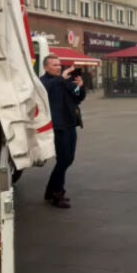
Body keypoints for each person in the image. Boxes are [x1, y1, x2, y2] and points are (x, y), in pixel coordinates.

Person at [40, 55, 86, 209]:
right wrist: (62, 79)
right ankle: (57, 193)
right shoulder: (44, 81)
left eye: (59, 65)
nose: (58, 67)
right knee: (64, 159)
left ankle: (51, 190)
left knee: (68, 159)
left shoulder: (64, 80)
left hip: (71, 123)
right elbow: (44, 91)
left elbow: (78, 97)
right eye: (54, 65)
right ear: (46, 67)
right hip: (58, 126)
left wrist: (80, 86)